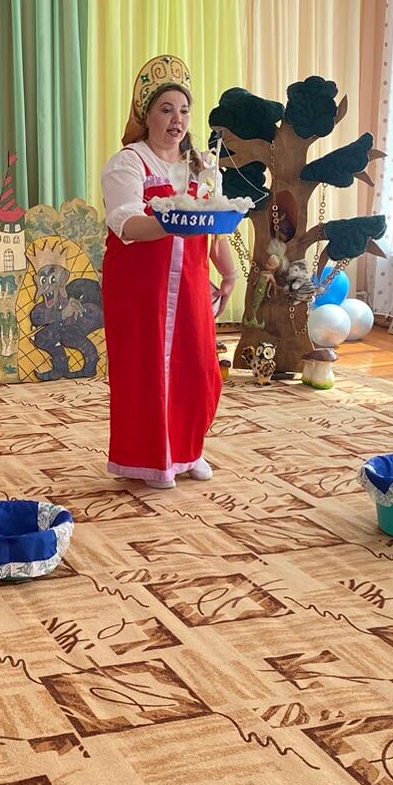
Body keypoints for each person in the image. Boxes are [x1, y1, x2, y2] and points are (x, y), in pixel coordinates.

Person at [101, 55, 237, 487]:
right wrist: (173, 220)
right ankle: (152, 461)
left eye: (183, 110)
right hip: (140, 288)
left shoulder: (202, 165)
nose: (177, 119)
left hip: (191, 283)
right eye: (166, 109)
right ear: (147, 115)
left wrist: (229, 272)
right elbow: (125, 224)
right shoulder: (128, 163)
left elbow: (215, 225)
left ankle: (187, 451)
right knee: (146, 372)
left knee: (198, 370)